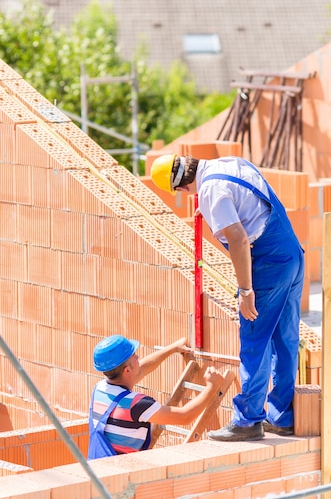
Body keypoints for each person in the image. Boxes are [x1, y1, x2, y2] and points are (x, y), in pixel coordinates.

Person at [150, 154, 305, 441]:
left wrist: (246, 291)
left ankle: (247, 421)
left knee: (255, 339)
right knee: (285, 337)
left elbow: (239, 239)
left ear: (182, 189)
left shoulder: (210, 192)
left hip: (268, 263)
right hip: (291, 253)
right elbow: (249, 203)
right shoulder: (230, 164)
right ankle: (281, 417)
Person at [88, 334, 223, 458]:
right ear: (127, 370)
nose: (138, 357)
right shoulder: (137, 404)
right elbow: (184, 416)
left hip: (96, 470)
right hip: (121, 477)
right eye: (134, 355)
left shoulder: (99, 390)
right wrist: (212, 387)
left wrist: (173, 348)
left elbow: (141, 369)